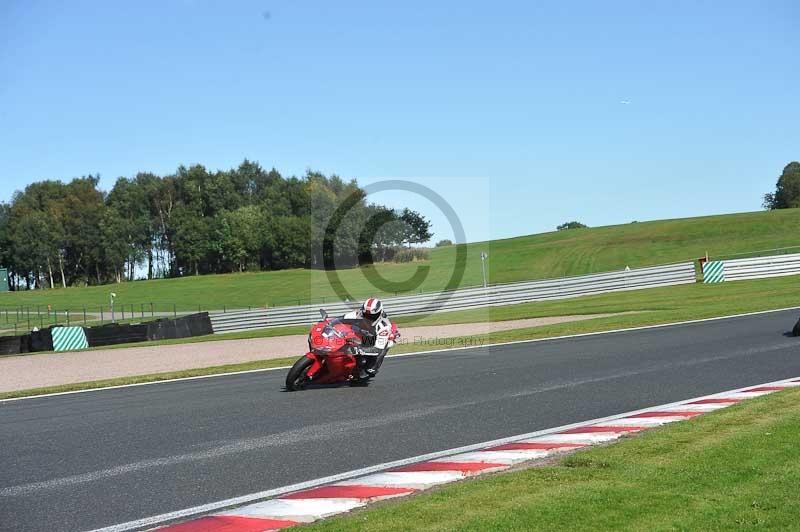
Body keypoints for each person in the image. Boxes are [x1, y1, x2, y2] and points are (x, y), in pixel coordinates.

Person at [341, 298, 399, 378]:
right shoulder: (358, 314)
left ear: (379, 313)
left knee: (385, 345)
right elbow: (340, 320)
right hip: (364, 334)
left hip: (380, 339)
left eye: (372, 316)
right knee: (349, 340)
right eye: (366, 315)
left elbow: (377, 348)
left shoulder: (384, 326)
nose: (369, 319)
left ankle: (373, 367)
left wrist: (359, 349)